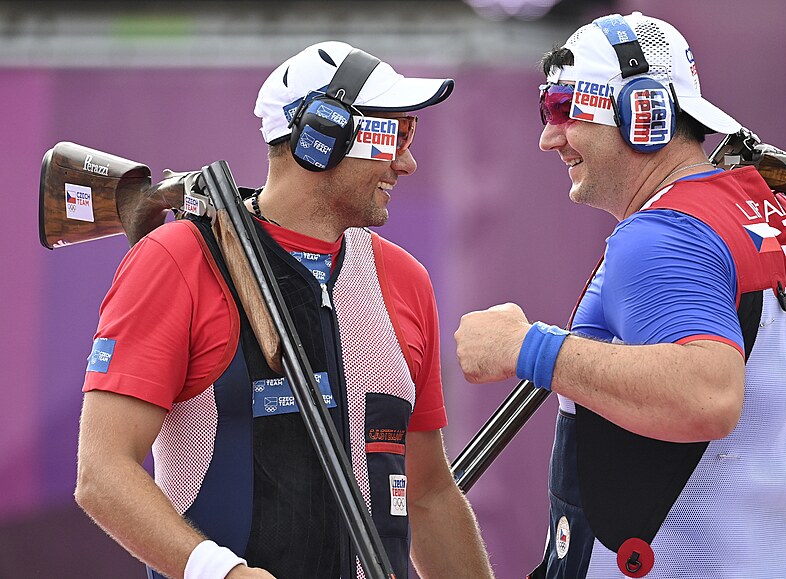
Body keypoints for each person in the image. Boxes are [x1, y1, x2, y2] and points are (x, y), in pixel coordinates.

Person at [454, 12, 786, 578]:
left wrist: (527, 348)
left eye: (563, 109)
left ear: (642, 113)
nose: (549, 137)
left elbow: (708, 397)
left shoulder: (660, 233)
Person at [74, 41, 493, 579]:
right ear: (322, 136)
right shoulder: (177, 258)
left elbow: (429, 492)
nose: (407, 162)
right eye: (395, 135)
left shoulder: (405, 279)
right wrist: (221, 574)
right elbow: (101, 471)